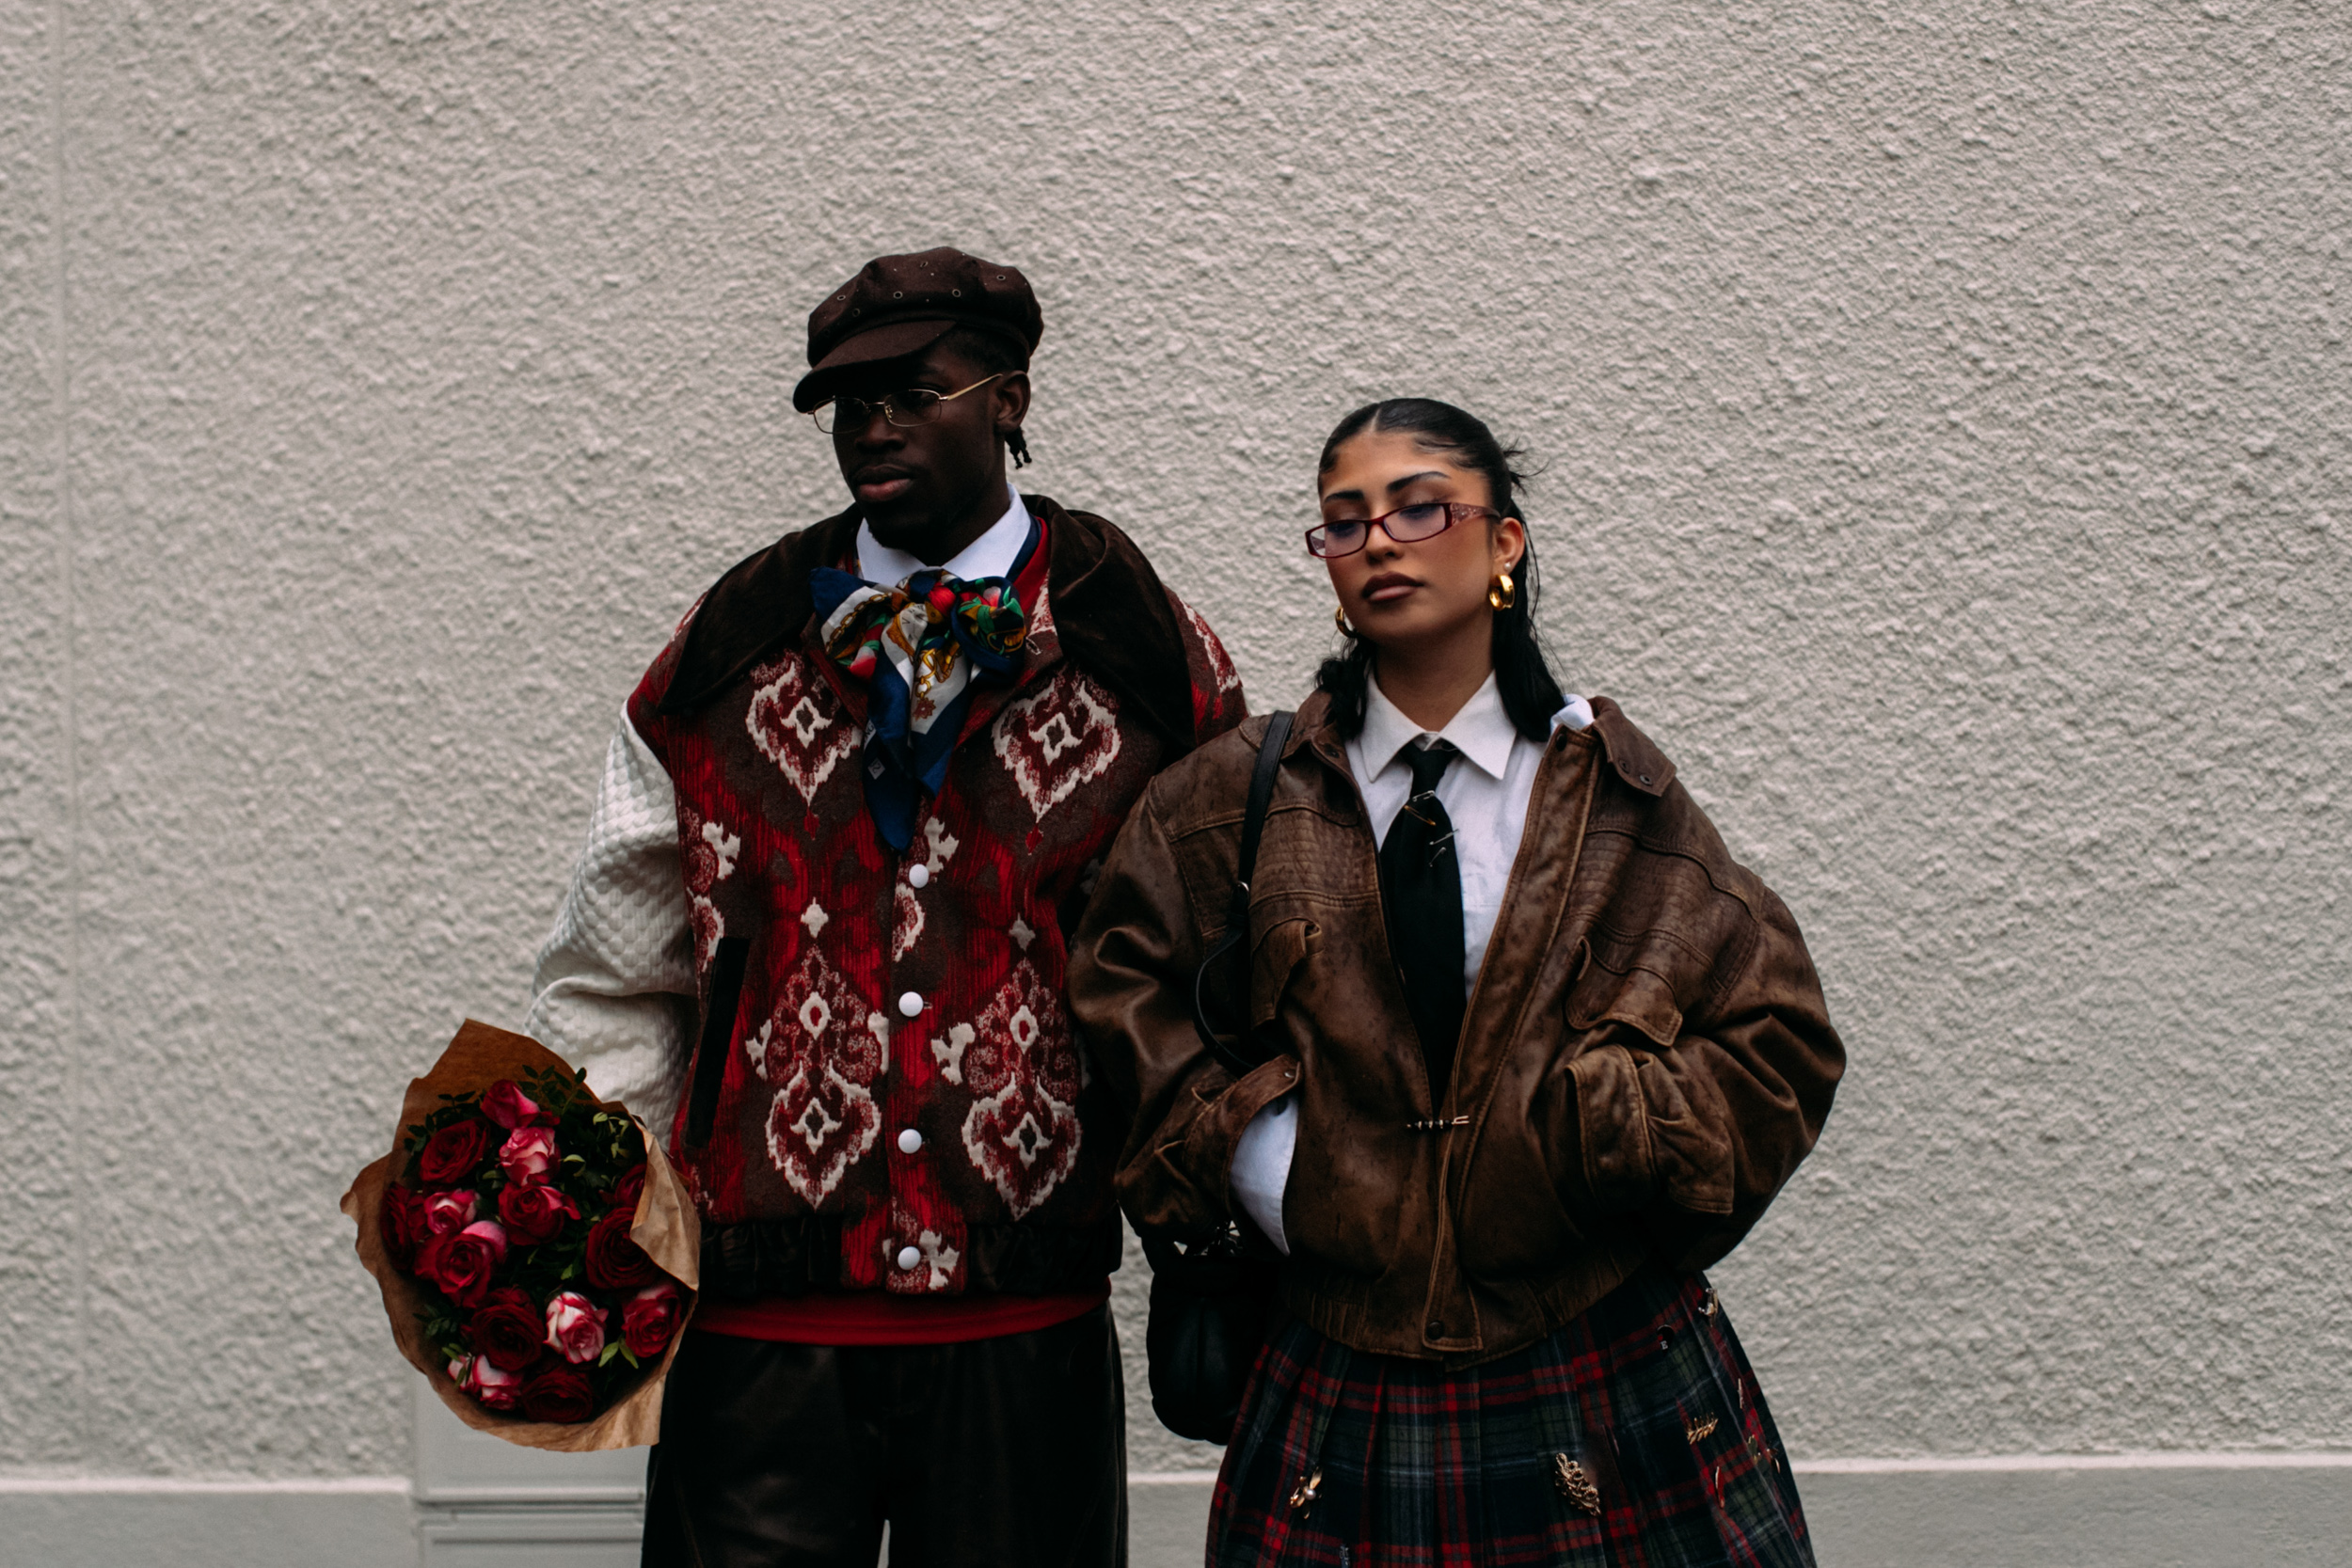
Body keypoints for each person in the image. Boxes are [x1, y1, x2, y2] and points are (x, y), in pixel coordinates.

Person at [526, 247, 1246, 1567]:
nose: (873, 426)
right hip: (757, 1337)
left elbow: (1216, 972)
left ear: (1011, 398)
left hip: (1024, 1323)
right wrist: (631, 1206)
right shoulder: (724, 644)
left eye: (914, 390)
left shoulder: (1147, 649)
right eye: (845, 404)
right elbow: (613, 970)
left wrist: (1214, 1209)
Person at [1069, 398, 1844, 1566]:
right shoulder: (1236, 794)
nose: (1378, 539)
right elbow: (1120, 996)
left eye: (1418, 506)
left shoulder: (1615, 798)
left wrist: (1604, 1129)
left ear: (1504, 544)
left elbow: (1778, 1037)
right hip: (1337, 1384)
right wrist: (1259, 1155)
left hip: (1601, 1369)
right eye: (1343, 522)